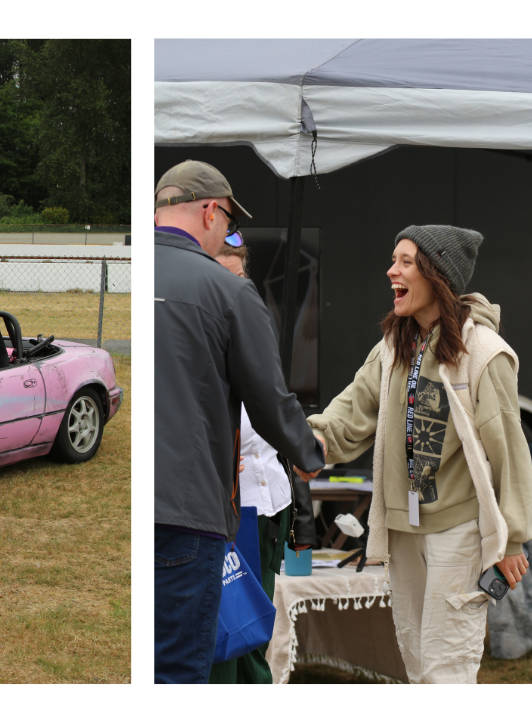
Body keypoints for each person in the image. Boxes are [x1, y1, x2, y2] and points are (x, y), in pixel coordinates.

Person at [302, 225, 532, 684]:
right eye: (393, 261)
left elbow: (510, 450)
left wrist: (511, 540)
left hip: (458, 531)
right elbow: (352, 410)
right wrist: (304, 441)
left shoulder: (484, 353)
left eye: (405, 262)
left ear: (437, 274)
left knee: (446, 667)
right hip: (402, 531)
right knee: (414, 660)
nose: (391, 271)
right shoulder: (393, 347)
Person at [154, 160, 327, 684]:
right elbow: (271, 402)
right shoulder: (228, 291)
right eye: (228, 222)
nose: (226, 235)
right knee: (180, 671)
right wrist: (310, 455)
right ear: (209, 211)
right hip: (189, 512)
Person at [207, 241, 317, 684]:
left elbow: (281, 425)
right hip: (223, 509)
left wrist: (303, 519)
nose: (233, 290)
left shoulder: (255, 330)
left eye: (240, 279)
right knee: (223, 639)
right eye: (221, 278)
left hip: (270, 508)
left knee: (255, 631)